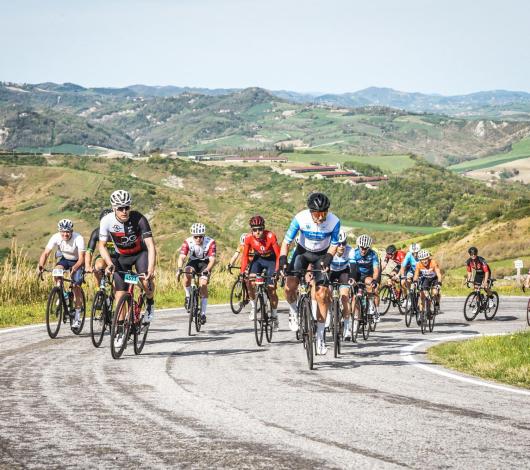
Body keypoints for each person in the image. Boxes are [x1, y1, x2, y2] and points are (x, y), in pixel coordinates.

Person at [279, 192, 341, 355]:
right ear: (310, 212)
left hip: (322, 254)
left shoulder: (334, 221)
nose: (321, 218)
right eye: (317, 214)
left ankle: (320, 337)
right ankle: (293, 311)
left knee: (322, 295)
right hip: (302, 253)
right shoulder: (300, 218)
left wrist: (328, 259)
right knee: (290, 286)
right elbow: (286, 242)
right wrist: (283, 260)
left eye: (324, 213)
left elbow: (334, 245)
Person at [99, 190, 156, 349]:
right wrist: (109, 263)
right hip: (121, 258)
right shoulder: (106, 221)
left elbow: (151, 245)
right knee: (120, 294)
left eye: (127, 207)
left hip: (139, 255)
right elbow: (102, 246)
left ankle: (150, 303)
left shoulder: (139, 218)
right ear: (114, 208)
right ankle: (120, 330)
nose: (124, 211)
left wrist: (150, 268)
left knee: (145, 282)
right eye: (120, 208)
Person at [38, 219, 86, 329]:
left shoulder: (78, 238)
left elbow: (82, 258)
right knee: (56, 271)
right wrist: (40, 266)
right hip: (65, 259)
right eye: (63, 232)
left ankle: (78, 316)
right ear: (59, 231)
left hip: (77, 262)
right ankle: (62, 293)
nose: (65, 234)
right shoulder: (56, 237)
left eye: (68, 232)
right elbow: (45, 253)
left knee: (75, 286)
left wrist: (74, 268)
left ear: (72, 231)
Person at [240, 215, 281, 330]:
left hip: (271, 260)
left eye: (260, 229)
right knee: (250, 282)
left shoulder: (270, 236)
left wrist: (277, 271)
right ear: (251, 230)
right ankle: (254, 306)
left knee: (271, 288)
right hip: (259, 259)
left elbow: (278, 256)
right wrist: (242, 271)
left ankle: (274, 315)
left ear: (263, 228)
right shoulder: (248, 238)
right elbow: (244, 256)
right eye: (255, 230)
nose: (257, 232)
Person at [177, 223, 217, 324]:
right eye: (196, 237)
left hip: (205, 263)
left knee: (203, 285)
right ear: (192, 236)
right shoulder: (188, 241)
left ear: (204, 236)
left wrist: (207, 270)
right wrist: (179, 268)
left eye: (200, 236)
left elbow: (212, 260)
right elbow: (182, 257)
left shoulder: (210, 242)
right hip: (193, 262)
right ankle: (188, 296)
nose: (198, 239)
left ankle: (203, 313)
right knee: (187, 275)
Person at [329, 229, 355, 340]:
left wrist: (352, 277)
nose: (341, 246)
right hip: (330, 272)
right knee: (326, 294)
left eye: (343, 243)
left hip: (343, 273)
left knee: (345, 297)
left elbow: (353, 266)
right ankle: (329, 315)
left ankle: (347, 328)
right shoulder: (329, 249)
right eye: (338, 244)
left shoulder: (350, 250)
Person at [350, 234, 381, 322]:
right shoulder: (354, 253)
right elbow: (351, 268)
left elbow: (376, 269)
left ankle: (374, 307)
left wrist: (374, 280)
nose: (363, 250)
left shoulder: (373, 254)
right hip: (357, 274)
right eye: (361, 247)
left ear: (369, 248)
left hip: (368, 275)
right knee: (354, 296)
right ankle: (357, 318)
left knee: (372, 286)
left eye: (366, 248)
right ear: (358, 246)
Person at [85, 209, 115, 287]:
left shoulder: (119, 231)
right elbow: (89, 251)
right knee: (98, 266)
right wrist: (87, 265)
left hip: (118, 257)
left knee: (116, 286)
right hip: (104, 256)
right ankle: (99, 292)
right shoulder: (97, 232)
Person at [413, 249, 442, 315]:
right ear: (420, 260)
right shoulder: (418, 264)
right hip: (426, 278)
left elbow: (438, 274)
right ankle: (427, 307)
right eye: (422, 259)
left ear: (428, 258)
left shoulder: (433, 262)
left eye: (426, 258)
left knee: (435, 292)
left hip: (435, 278)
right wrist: (414, 282)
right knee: (424, 293)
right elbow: (416, 274)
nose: (425, 261)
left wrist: (439, 283)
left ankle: (437, 303)